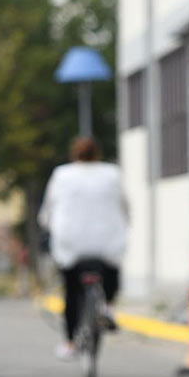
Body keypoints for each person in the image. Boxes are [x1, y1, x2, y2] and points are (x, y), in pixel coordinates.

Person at [38, 136, 129, 360]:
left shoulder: (62, 174)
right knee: (111, 268)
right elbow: (125, 205)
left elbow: (48, 211)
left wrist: (48, 225)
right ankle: (107, 305)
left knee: (72, 291)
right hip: (106, 241)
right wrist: (126, 223)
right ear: (97, 153)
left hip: (71, 242)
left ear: (74, 154)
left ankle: (69, 343)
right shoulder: (112, 173)